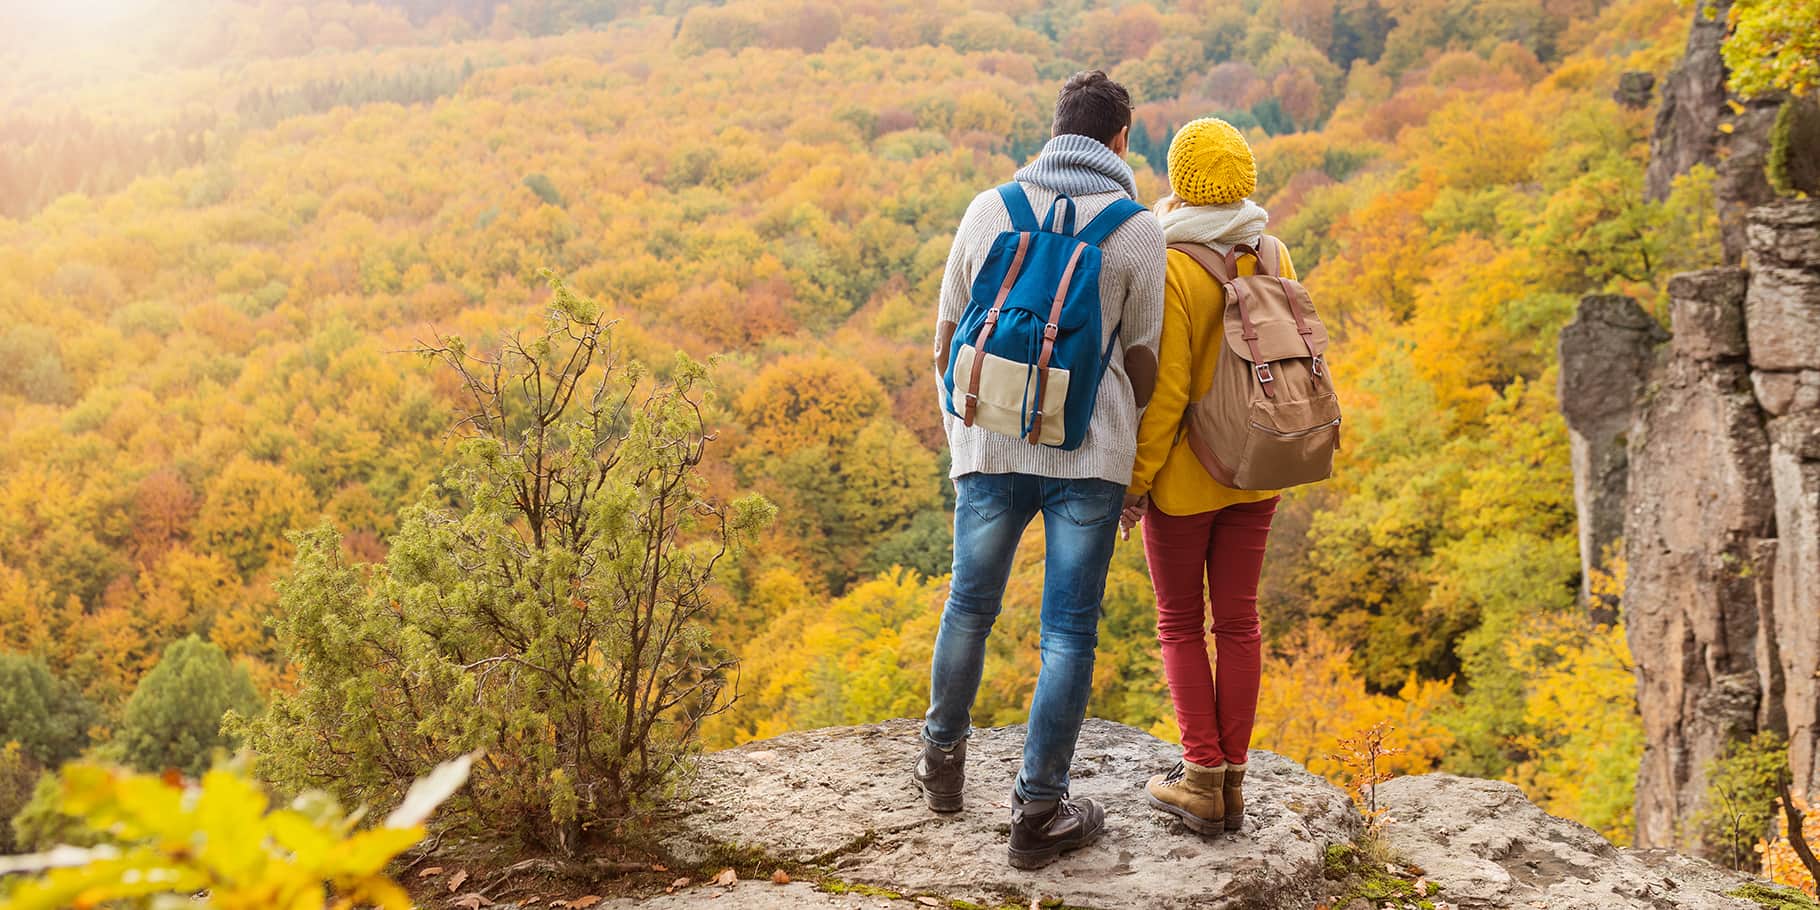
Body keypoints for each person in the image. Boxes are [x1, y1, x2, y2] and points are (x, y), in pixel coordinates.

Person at [915, 71, 1165, 870]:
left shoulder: (991, 209)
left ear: (1057, 129)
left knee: (969, 605)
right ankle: (1038, 810)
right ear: (1120, 140)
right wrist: (1125, 457)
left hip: (987, 445)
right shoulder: (1136, 231)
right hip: (1089, 457)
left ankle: (941, 766)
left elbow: (948, 332)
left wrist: (970, 431)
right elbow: (1145, 362)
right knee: (1067, 631)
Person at [1121, 118, 1291, 835]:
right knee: (1241, 624)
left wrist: (1135, 485)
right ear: (1245, 179)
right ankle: (1234, 784)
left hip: (1189, 482)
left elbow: (1166, 395)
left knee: (1181, 624)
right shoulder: (1272, 249)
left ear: (1179, 180)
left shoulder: (1171, 261)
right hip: (1259, 466)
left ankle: (1200, 778)